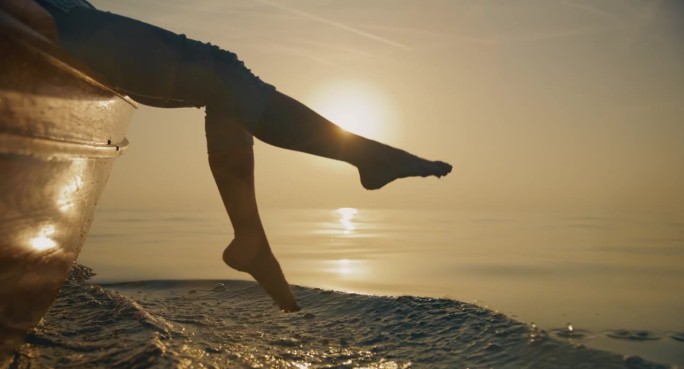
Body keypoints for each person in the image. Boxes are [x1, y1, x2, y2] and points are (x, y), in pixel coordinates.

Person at [6, 0, 452, 312]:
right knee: (220, 75)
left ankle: (252, 241)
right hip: (45, 14)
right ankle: (364, 159)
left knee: (224, 90)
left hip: (62, 10)